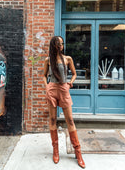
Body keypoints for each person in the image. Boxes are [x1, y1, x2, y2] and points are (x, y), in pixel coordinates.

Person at [43, 36, 85, 168]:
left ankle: (78, 153)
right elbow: (44, 75)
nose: (61, 45)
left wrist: (70, 84)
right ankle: (56, 151)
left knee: (70, 121)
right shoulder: (48, 60)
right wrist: (47, 86)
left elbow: (74, 74)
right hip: (52, 89)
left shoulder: (68, 59)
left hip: (63, 89)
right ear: (54, 45)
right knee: (52, 120)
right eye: (59, 44)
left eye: (62, 43)